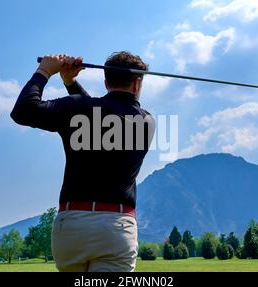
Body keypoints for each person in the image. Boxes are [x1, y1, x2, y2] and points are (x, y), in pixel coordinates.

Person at [11, 51, 155, 272]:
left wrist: (45, 71)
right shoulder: (145, 121)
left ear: (106, 82)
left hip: (71, 225)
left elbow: (23, 111)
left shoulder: (77, 108)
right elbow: (99, 115)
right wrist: (71, 83)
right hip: (115, 227)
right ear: (137, 84)